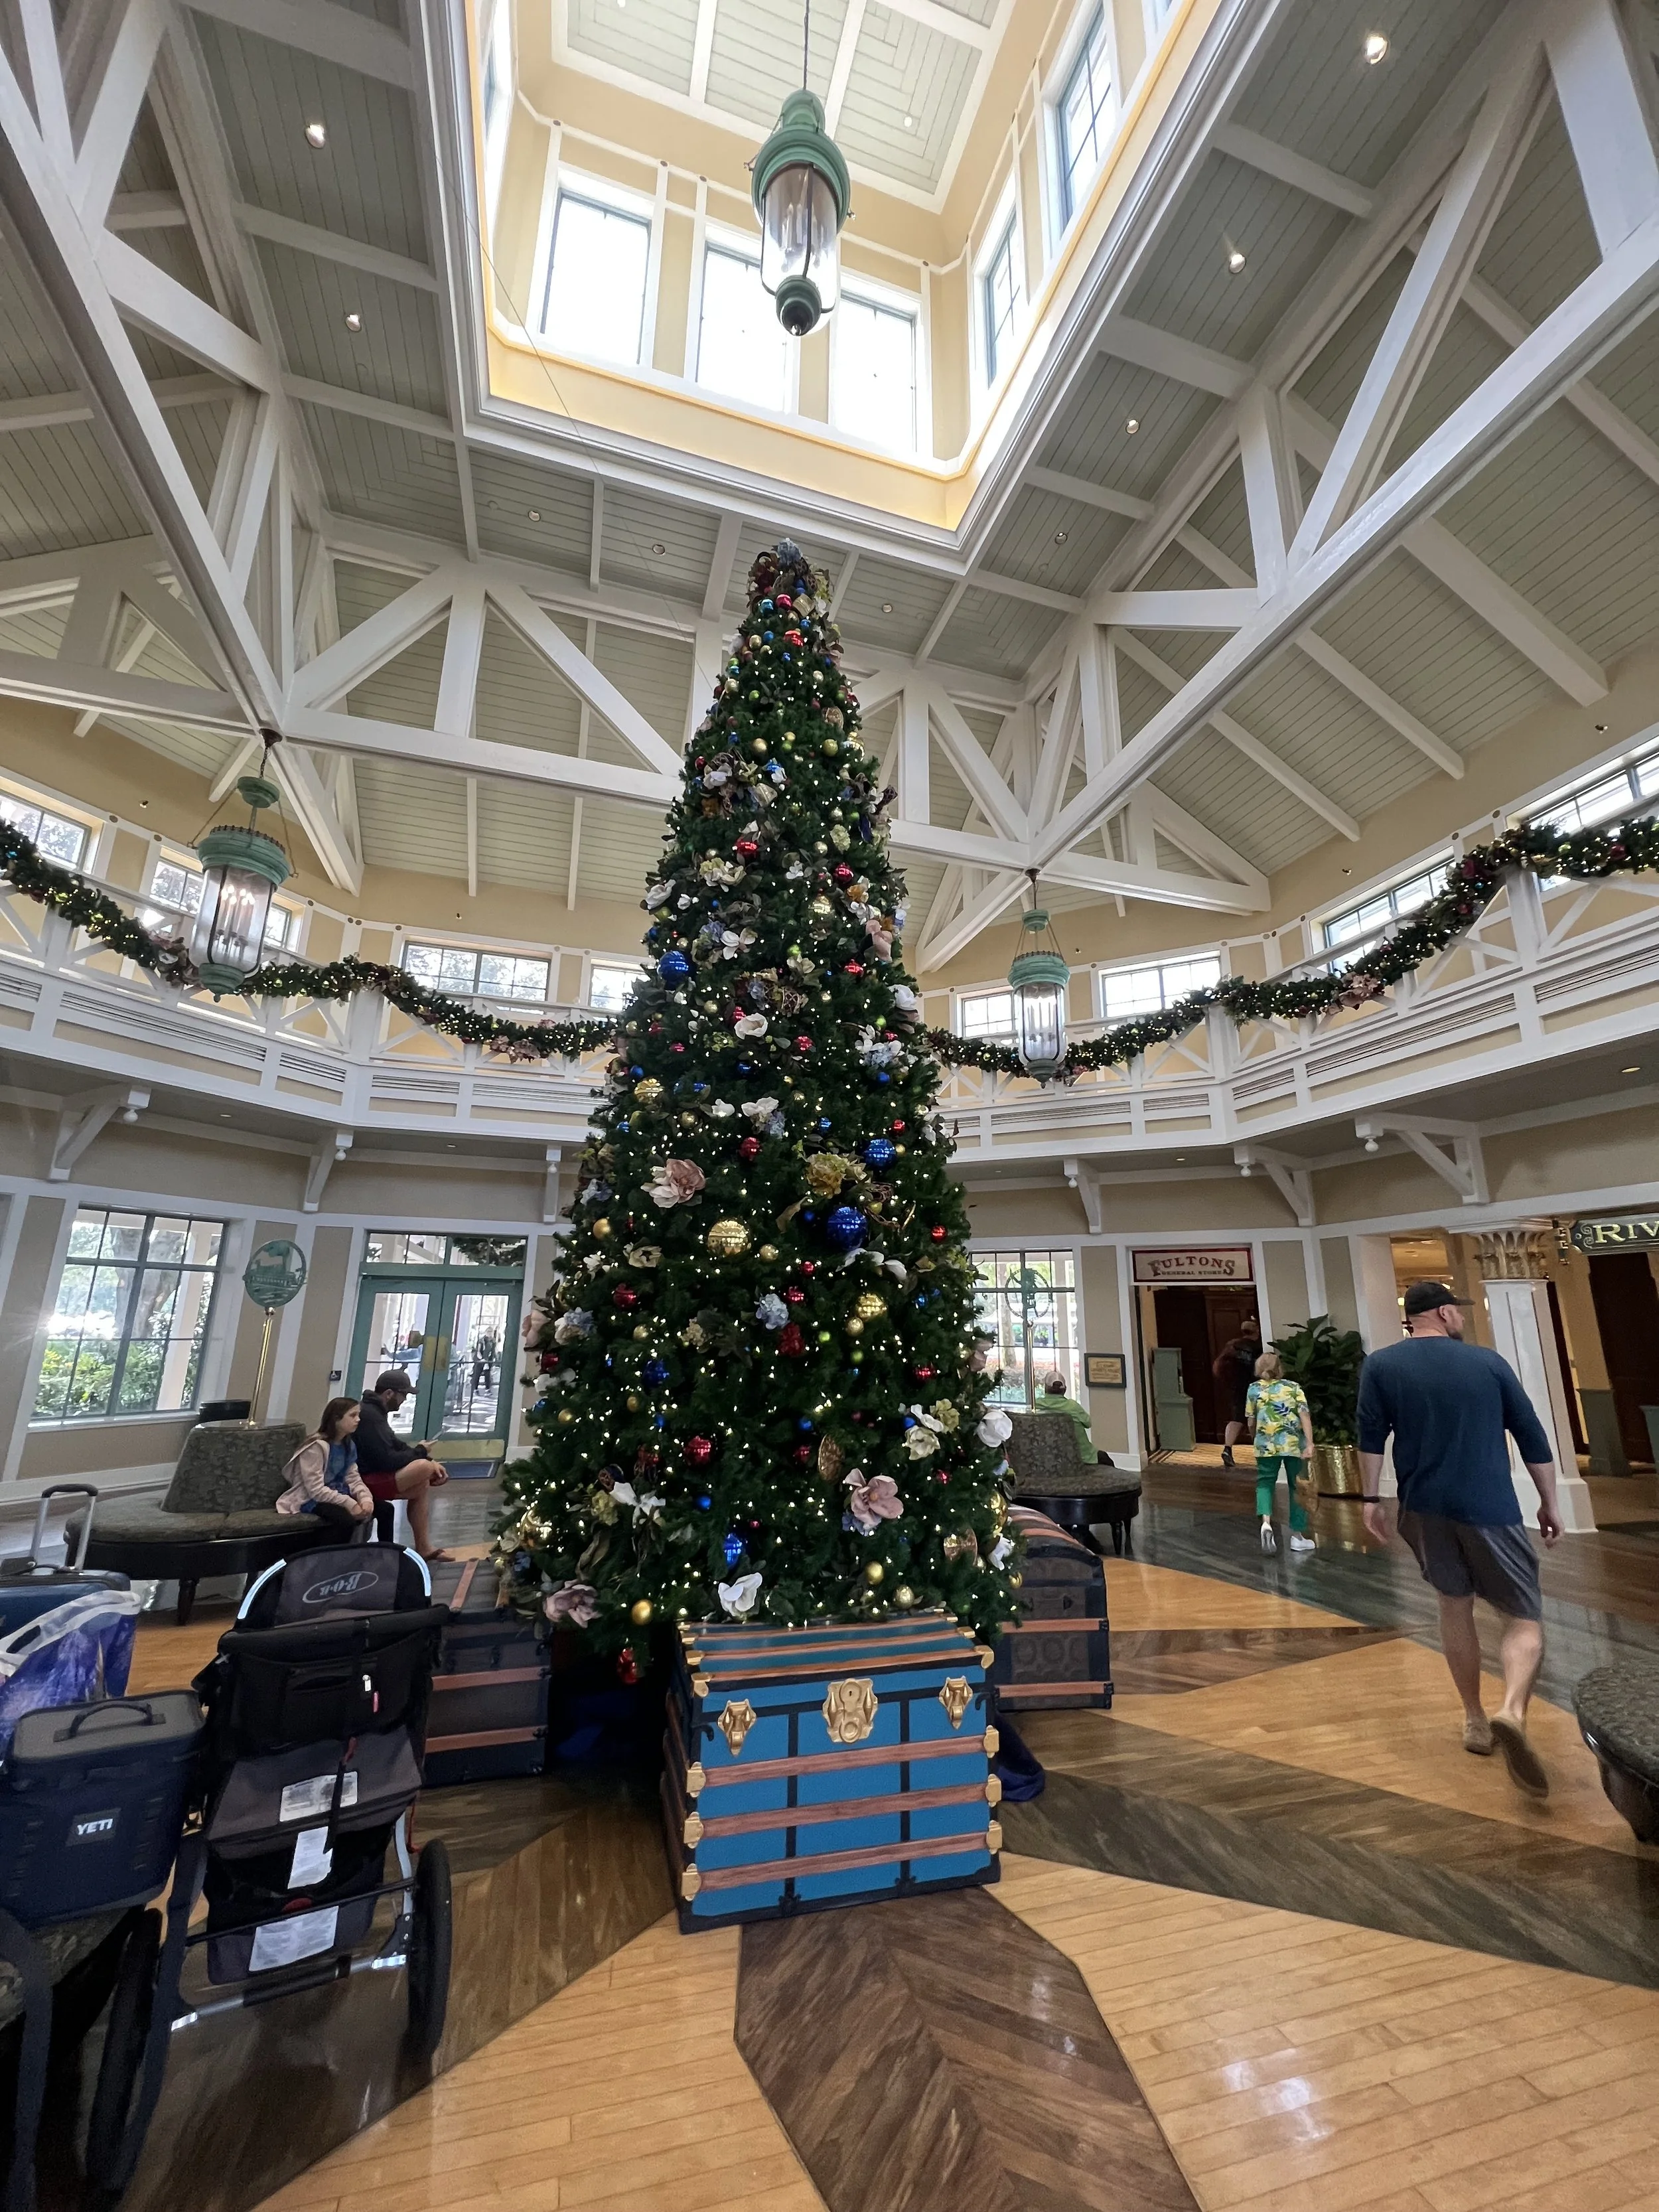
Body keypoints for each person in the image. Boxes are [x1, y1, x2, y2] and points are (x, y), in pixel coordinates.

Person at [1357, 1280, 1563, 1798]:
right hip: (1489, 1505)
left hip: (1424, 1507)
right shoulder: (1488, 1364)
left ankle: (1473, 1719)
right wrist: (1550, 1501)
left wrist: (1369, 1499)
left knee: (1454, 1604)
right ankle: (1511, 1709)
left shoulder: (1381, 1365)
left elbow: (1369, 1435)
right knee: (1523, 1615)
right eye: (1459, 1312)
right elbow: (1531, 1434)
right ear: (1446, 1313)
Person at [356, 1369, 453, 1562]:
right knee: (423, 1469)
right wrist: (422, 1458)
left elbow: (396, 1446)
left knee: (422, 1482)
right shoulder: (370, 1416)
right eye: (404, 1395)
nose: (405, 1400)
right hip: (362, 1481)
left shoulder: (375, 1413)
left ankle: (424, 1547)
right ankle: (423, 1547)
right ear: (389, 1394)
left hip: (372, 1474)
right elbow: (386, 1460)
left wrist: (427, 1458)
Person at [1246, 1349, 1315, 1555]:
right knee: (1297, 1487)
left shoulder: (1254, 1390)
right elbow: (1305, 1417)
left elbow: (1251, 1420)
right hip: (1293, 1445)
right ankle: (1298, 1536)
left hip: (1265, 1444)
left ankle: (1266, 1522)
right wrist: (1310, 1443)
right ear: (1279, 1368)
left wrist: (1255, 1436)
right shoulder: (1294, 1388)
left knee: (1265, 1483)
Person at [275, 1397, 376, 1534]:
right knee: (345, 1520)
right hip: (312, 1499)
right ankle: (331, 1554)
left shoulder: (349, 1445)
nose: (358, 1420)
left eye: (358, 1415)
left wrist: (365, 1499)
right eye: (353, 1415)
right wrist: (349, 1503)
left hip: (338, 1493)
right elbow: (315, 1490)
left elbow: (353, 1478)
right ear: (336, 1419)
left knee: (385, 1509)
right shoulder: (316, 1447)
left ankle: (390, 1552)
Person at [1213, 1317, 1261, 1467]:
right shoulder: (1258, 1347)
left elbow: (1217, 1366)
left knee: (1237, 1418)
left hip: (1235, 1387)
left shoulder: (1232, 1345)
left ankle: (1227, 1448)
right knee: (1255, 1419)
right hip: (1254, 1386)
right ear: (1257, 1331)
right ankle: (1259, 1452)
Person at [1039, 1371, 1109, 1466]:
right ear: (1065, 1390)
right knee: (1105, 1458)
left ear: (1046, 1389)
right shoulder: (1073, 1407)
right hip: (1083, 1457)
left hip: (1050, 1456)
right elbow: (1088, 1423)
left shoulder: (1036, 1405)